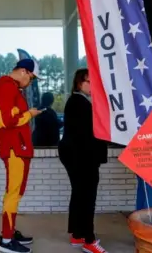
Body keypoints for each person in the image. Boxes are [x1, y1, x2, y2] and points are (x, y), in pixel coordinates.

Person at [0, 58, 41, 253]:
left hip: (18, 147)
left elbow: (5, 119)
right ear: (23, 71)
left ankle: (9, 231)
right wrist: (29, 114)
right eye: (32, 78)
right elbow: (7, 120)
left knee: (16, 193)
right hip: (14, 148)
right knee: (13, 193)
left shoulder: (10, 88)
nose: (31, 82)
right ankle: (6, 239)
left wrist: (24, 114)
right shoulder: (6, 87)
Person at [58, 69, 109, 253]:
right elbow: (91, 132)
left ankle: (78, 234)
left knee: (80, 195)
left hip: (77, 155)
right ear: (79, 83)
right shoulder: (79, 103)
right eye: (89, 81)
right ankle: (89, 239)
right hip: (81, 156)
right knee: (87, 197)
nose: (92, 85)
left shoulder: (79, 102)